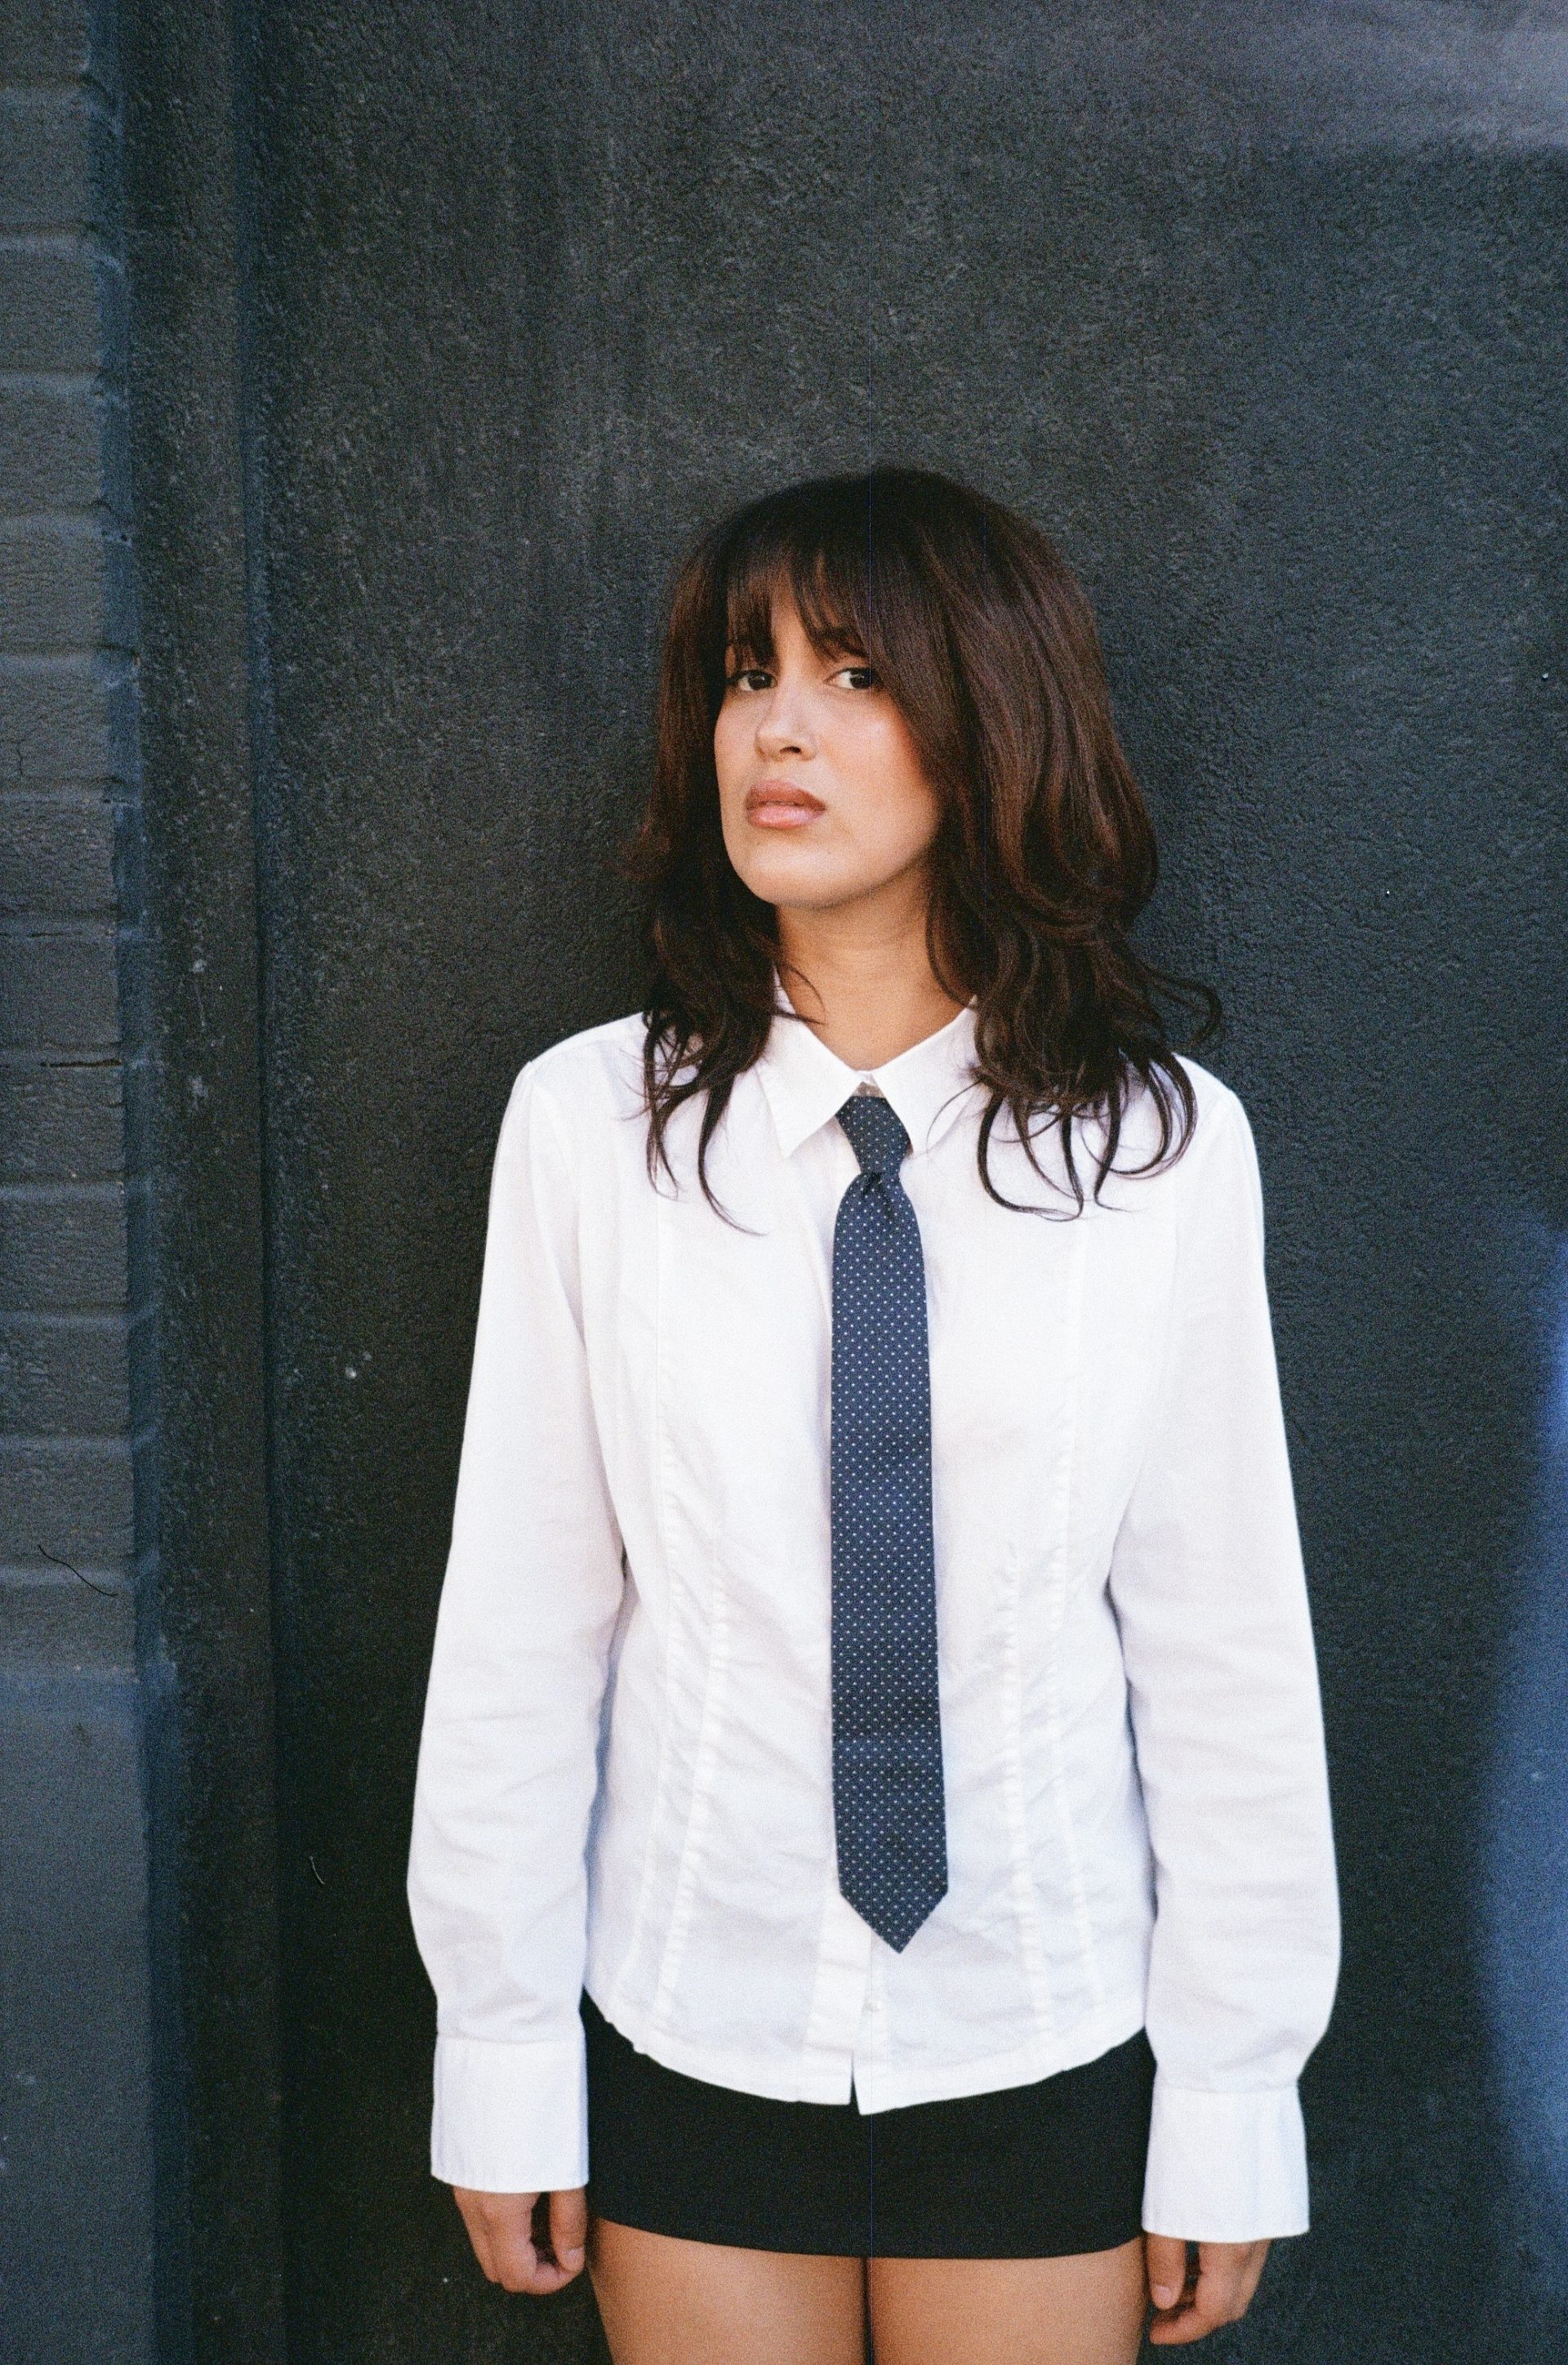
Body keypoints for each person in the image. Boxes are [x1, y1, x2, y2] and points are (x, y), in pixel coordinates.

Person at [406, 466, 1339, 2365]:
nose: (779, 725)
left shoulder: (1159, 1150)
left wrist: (1235, 2087)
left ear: (988, 717)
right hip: (696, 2009)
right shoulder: (589, 1127)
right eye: (747, 673)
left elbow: (1222, 1641)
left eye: (854, 672)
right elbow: (522, 1625)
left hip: (1038, 2022)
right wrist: (499, 2043)